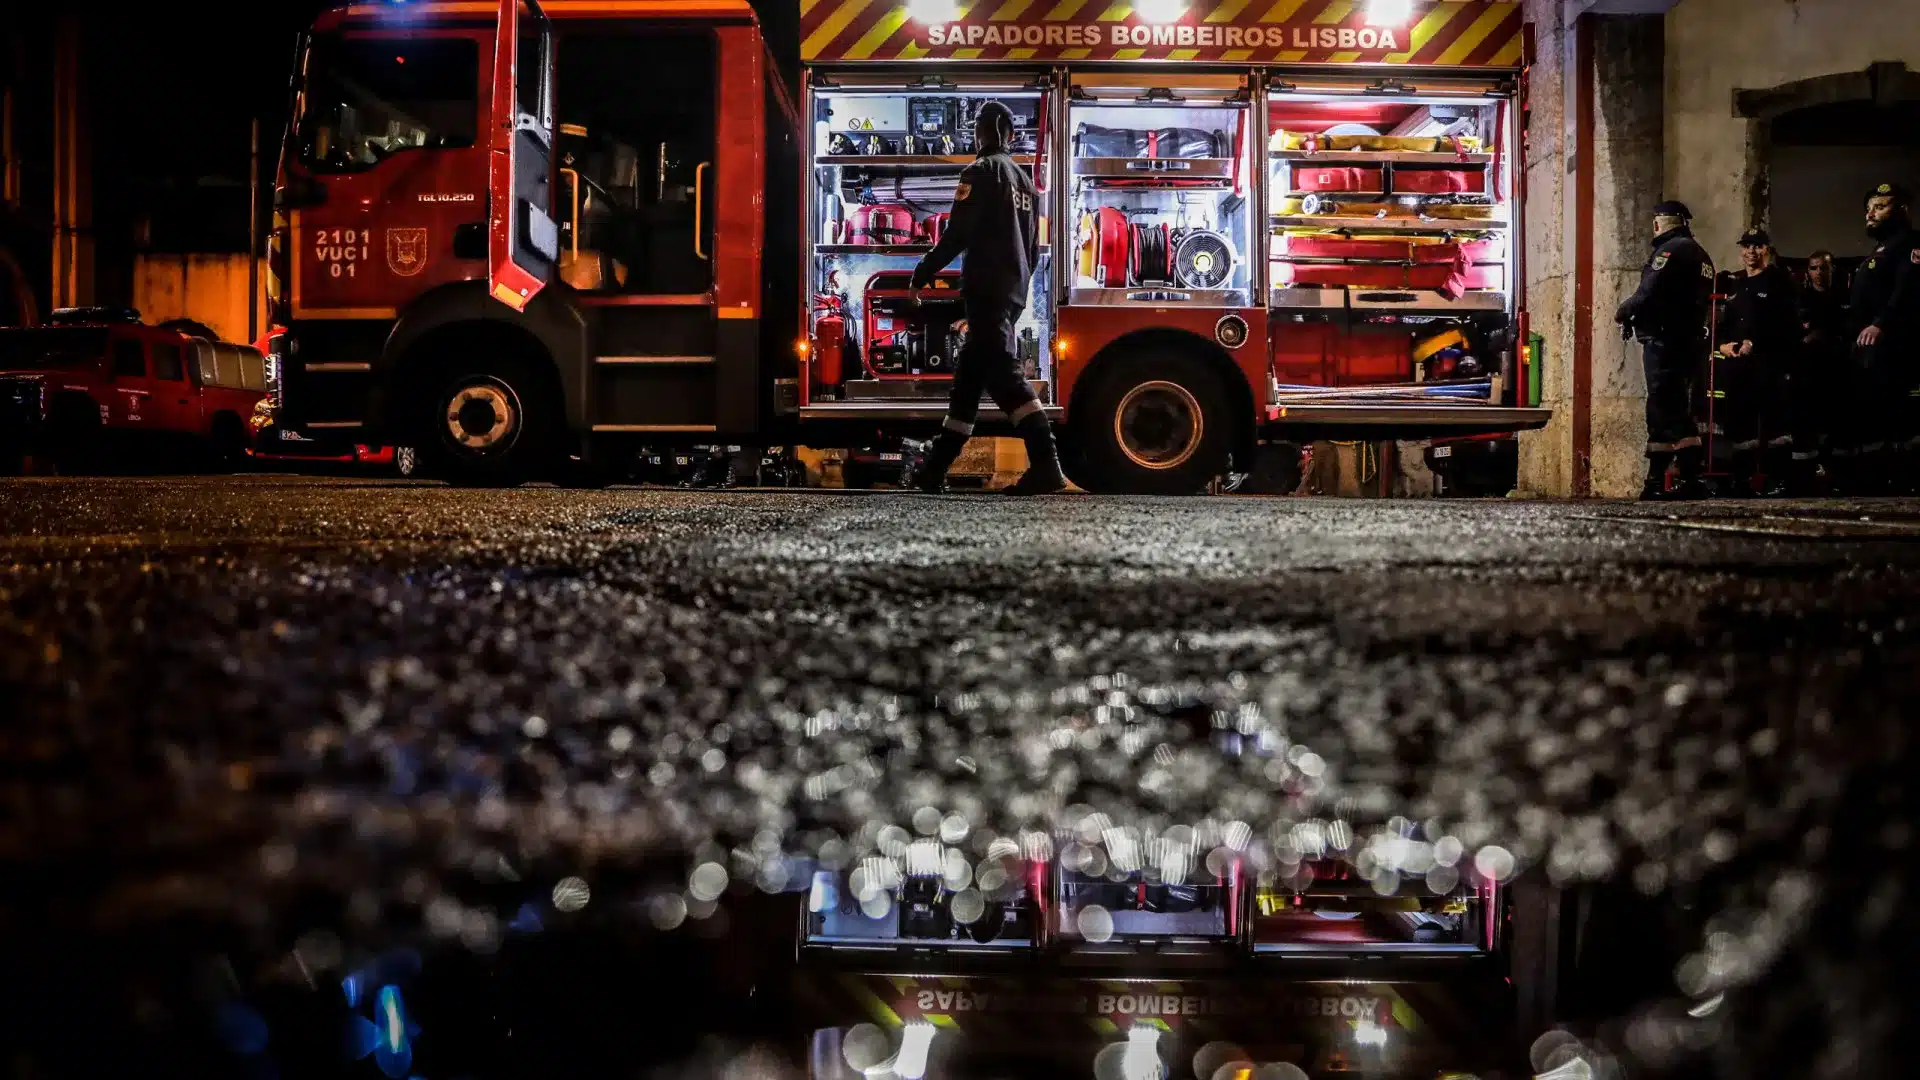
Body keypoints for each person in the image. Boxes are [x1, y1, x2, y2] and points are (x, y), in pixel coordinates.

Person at [909, 100, 1067, 496]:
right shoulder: (1027, 184)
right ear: (1010, 134)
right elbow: (1033, 250)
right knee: (967, 385)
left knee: (1007, 379)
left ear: (984, 131)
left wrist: (923, 272)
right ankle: (933, 472)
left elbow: (957, 234)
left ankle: (1047, 466)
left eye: (978, 128)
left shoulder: (979, 172)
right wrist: (1017, 286)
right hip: (1011, 293)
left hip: (986, 292)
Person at [1616, 200, 1716, 500]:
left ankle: (1659, 481)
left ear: (1661, 222)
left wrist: (1624, 311)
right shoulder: (1701, 254)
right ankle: (1690, 477)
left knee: (1661, 406)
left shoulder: (1671, 251)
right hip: (1687, 342)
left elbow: (1649, 291)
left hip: (1665, 341)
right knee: (1677, 407)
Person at [1713, 229, 1801, 496]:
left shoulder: (1780, 282)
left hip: (1770, 364)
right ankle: (1742, 482)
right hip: (1739, 366)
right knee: (1740, 423)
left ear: (1767, 250)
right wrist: (1722, 345)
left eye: (1757, 246)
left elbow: (1788, 325)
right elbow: (1724, 323)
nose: (1751, 251)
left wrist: (1756, 342)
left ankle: (1780, 481)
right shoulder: (1736, 283)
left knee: (1775, 425)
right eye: (1747, 246)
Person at [1846, 182, 1920, 493]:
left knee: (1896, 412)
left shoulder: (1910, 244)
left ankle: (1903, 479)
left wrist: (1881, 324)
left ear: (1901, 210)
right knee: (1872, 412)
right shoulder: (1880, 249)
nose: (1871, 213)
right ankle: (1876, 476)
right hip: (1868, 345)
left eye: (1880, 207)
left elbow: (1907, 289)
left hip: (1894, 343)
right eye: (1869, 208)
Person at [1797, 250, 1847, 491]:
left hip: (1838, 368)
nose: (1818, 273)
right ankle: (1810, 473)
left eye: (1823, 268)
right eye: (1814, 268)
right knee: (1810, 421)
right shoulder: (1801, 299)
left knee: (1836, 421)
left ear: (1831, 269)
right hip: (1809, 369)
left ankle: (1837, 472)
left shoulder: (1843, 297)